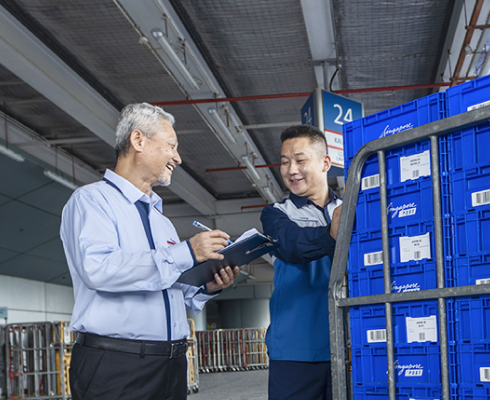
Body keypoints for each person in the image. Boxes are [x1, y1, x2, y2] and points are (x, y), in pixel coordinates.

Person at [60, 102, 239, 400]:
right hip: (117, 365)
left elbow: (167, 285)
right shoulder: (91, 201)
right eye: (171, 146)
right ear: (138, 140)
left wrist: (207, 285)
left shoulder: (161, 221)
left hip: (170, 364)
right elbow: (99, 269)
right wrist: (187, 252)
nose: (178, 158)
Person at [260, 125, 342, 400]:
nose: (291, 170)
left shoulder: (348, 210)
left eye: (299, 160)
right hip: (295, 351)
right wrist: (331, 233)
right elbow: (291, 245)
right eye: (284, 162)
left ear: (325, 163)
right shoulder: (277, 213)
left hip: (348, 346)